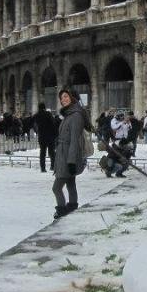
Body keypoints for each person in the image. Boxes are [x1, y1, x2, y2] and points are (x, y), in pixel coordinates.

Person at [52, 88, 90, 219]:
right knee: (70, 183)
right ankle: (73, 207)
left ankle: (61, 211)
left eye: (66, 97)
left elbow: (74, 139)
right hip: (64, 153)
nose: (63, 100)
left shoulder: (76, 115)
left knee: (56, 188)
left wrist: (71, 161)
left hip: (68, 155)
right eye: (61, 98)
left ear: (72, 98)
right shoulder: (69, 114)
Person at [33, 103, 57, 173]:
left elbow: (33, 123)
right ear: (44, 107)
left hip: (41, 136)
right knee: (52, 152)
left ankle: (43, 168)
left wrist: (37, 131)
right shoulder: (48, 114)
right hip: (50, 136)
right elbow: (53, 124)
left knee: (42, 152)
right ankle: (53, 166)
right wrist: (55, 134)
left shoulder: (36, 115)